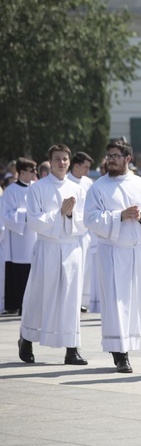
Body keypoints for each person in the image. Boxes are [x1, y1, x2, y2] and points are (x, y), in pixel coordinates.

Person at [84, 141, 141, 373]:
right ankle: (120, 353)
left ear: (128, 158)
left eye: (116, 156)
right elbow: (90, 218)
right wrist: (119, 216)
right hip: (113, 251)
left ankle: (129, 344)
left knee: (134, 302)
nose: (111, 160)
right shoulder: (99, 187)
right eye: (108, 156)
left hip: (138, 251)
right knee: (116, 303)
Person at [18, 144, 88, 365]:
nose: (62, 163)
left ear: (69, 161)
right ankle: (27, 339)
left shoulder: (78, 189)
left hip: (70, 247)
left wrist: (69, 217)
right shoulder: (38, 189)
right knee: (39, 295)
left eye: (65, 159)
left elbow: (85, 221)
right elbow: (34, 221)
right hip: (47, 247)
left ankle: (71, 348)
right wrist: (59, 214)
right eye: (57, 159)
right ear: (50, 162)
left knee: (71, 297)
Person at [2, 157, 38, 315]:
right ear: (22, 172)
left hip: (35, 236)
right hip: (18, 240)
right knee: (19, 272)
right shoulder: (11, 191)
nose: (35, 173)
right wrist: (26, 215)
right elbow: (6, 215)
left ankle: (31, 305)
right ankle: (17, 304)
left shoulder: (37, 188)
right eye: (32, 171)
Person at [67, 152, 95, 313]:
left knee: (84, 267)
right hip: (69, 232)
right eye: (85, 167)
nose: (87, 171)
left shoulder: (88, 183)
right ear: (76, 166)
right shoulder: (67, 181)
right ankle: (69, 300)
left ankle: (80, 301)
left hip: (84, 232)